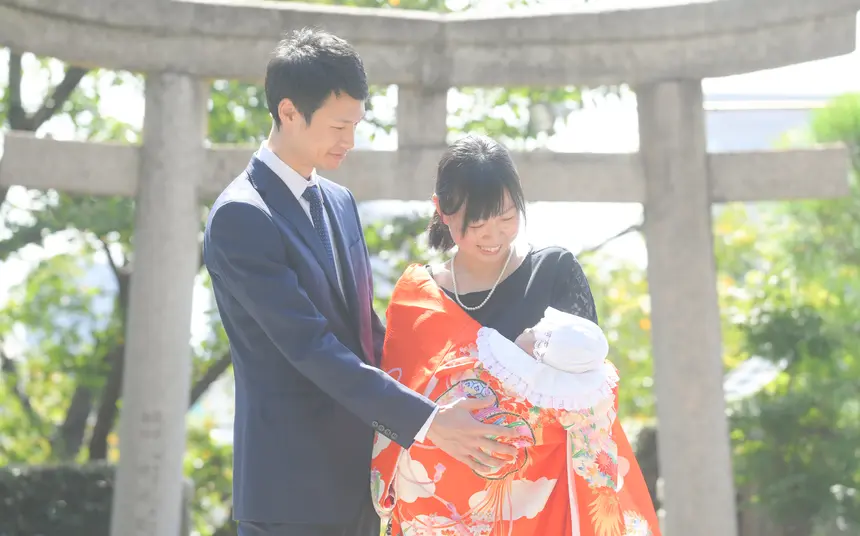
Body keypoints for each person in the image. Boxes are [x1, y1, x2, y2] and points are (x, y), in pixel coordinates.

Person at [202, 29, 519, 536]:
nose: (349, 141)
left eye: (356, 124)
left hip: (365, 482)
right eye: (338, 126)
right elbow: (311, 348)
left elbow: (367, 334)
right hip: (291, 493)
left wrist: (456, 385)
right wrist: (430, 422)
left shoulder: (339, 202)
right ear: (288, 112)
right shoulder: (242, 215)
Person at [370, 135, 660, 535]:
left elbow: (590, 391)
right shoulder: (417, 299)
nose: (493, 236)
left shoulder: (554, 271)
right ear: (442, 210)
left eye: (506, 218)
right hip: (440, 514)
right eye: (477, 223)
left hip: (546, 508)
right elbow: (393, 407)